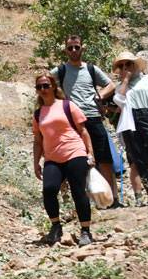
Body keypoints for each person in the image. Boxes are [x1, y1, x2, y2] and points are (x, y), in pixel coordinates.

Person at [50, 35, 121, 207]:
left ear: (82, 48)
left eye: (76, 47)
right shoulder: (60, 70)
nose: (74, 50)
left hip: (94, 117)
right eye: (70, 48)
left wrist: (100, 96)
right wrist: (60, 100)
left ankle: (111, 200)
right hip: (72, 121)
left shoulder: (91, 69)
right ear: (65, 50)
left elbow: (111, 85)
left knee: (104, 159)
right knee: (76, 160)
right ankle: (83, 201)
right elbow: (45, 82)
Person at [32, 73, 97, 246]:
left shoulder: (67, 105)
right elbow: (38, 140)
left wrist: (90, 153)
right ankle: (55, 226)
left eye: (46, 85)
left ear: (53, 86)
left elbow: (83, 131)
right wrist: (36, 162)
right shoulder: (38, 114)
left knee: (78, 191)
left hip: (74, 152)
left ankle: (85, 231)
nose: (43, 89)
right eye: (39, 87)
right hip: (52, 158)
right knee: (49, 189)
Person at [112, 51, 148, 206]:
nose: (126, 67)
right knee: (140, 161)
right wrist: (125, 80)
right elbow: (118, 100)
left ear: (135, 64)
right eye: (122, 65)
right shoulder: (121, 87)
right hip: (131, 124)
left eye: (128, 64)